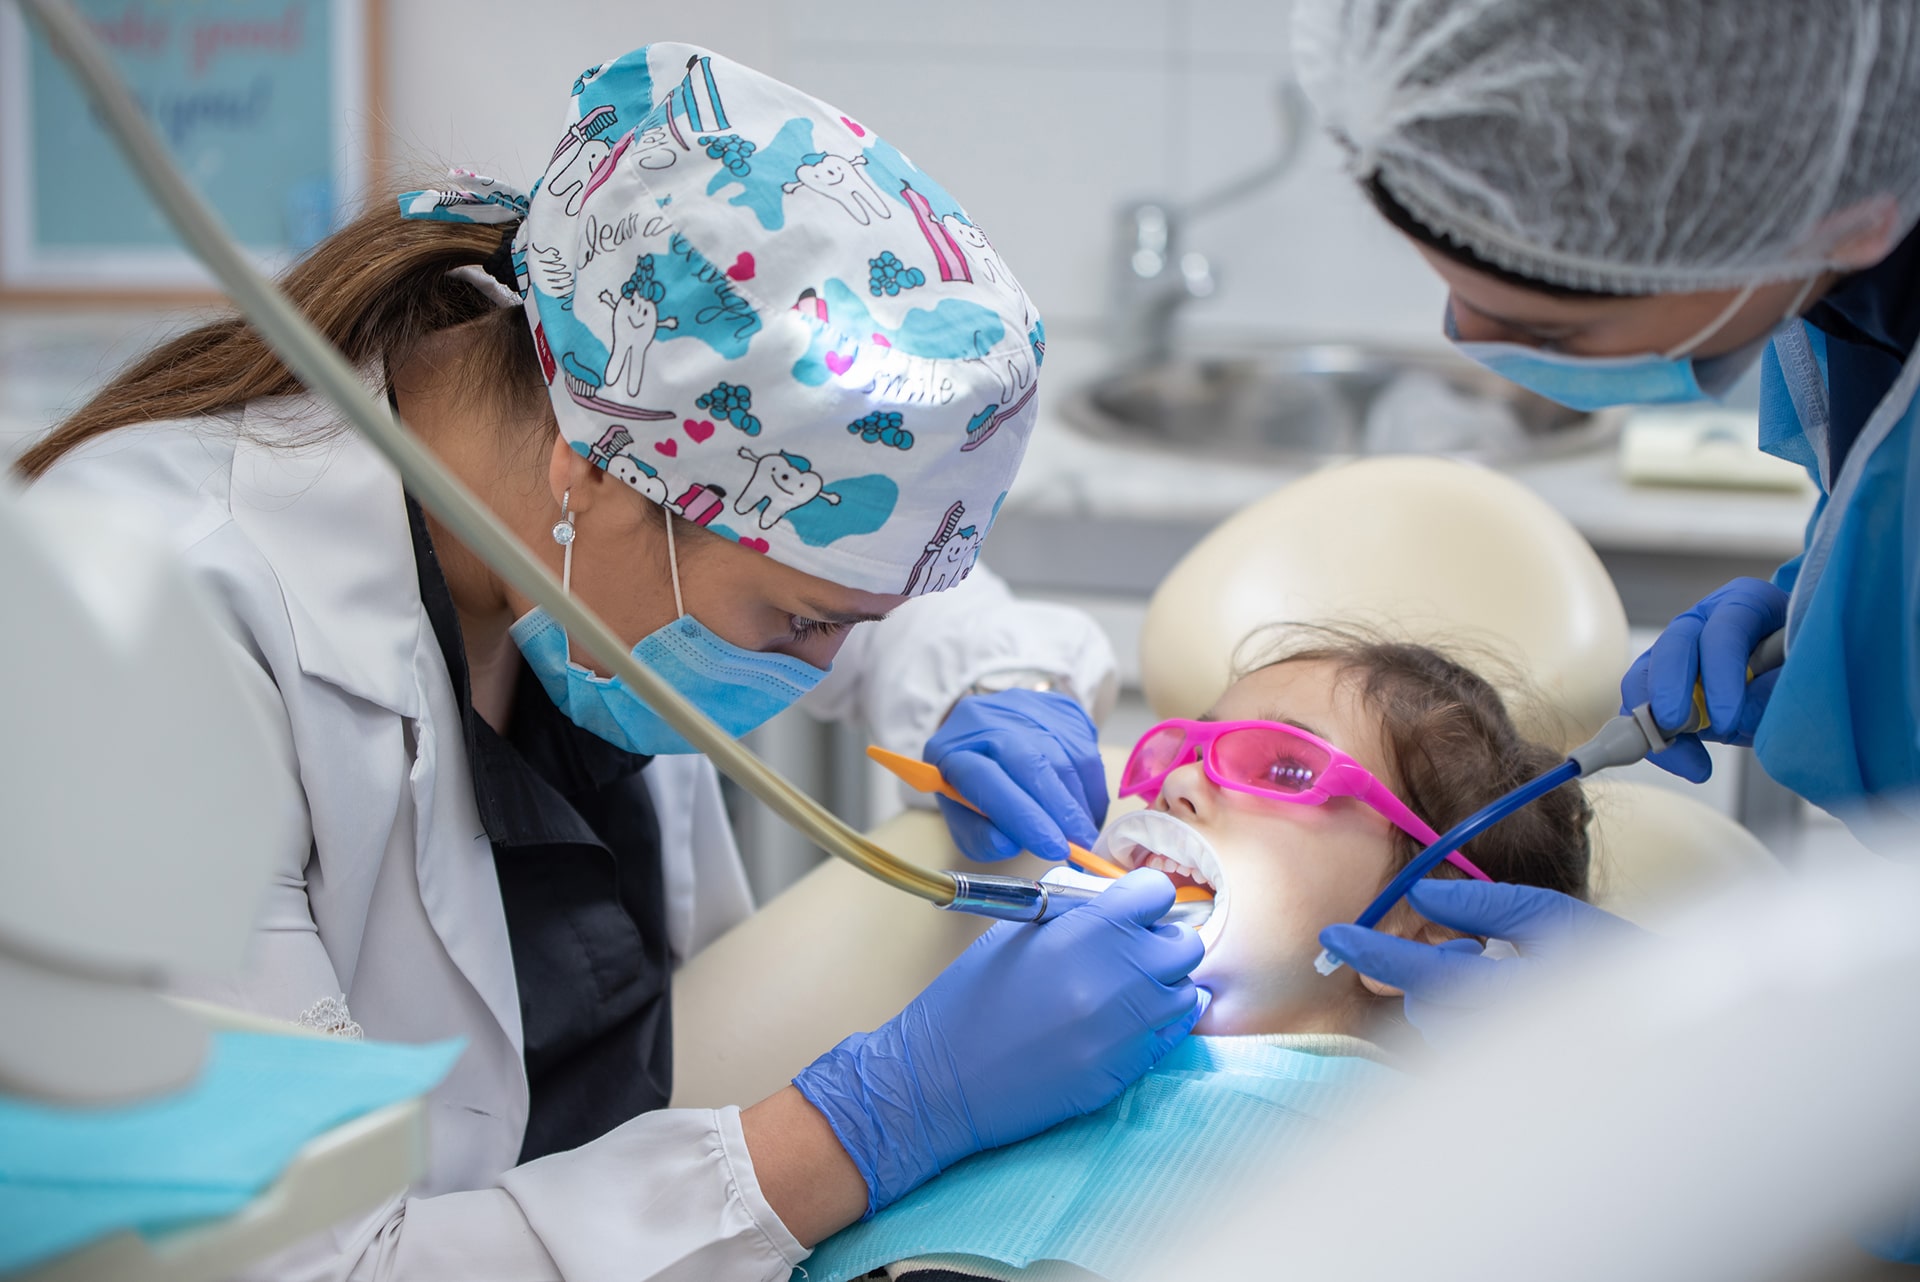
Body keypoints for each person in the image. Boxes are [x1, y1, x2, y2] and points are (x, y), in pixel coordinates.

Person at [17, 45, 1203, 1280]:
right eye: (803, 625)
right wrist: (867, 1126)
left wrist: (1001, 684)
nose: (827, 659)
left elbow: (849, 562)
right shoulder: (155, 642)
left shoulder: (575, 437)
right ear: (593, 480)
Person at [1269, 0, 1920, 1021]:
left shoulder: (1823, 191)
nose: (1470, 337)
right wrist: (1836, 602)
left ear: (1847, 219)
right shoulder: (1838, 260)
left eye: (1550, 325)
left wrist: (1692, 1037)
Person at [798, 627, 1592, 1281]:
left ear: (1418, 929)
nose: (1174, 785)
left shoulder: (1412, 1177)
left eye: (1282, 766)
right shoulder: (990, 1049)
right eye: (1180, 750)